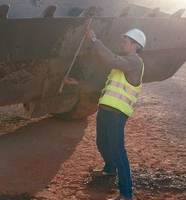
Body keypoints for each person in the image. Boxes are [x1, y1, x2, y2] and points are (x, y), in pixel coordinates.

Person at [63, 28, 146, 200]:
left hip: (117, 115)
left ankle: (126, 194)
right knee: (102, 143)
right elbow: (102, 85)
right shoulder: (121, 66)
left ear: (135, 46)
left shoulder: (134, 63)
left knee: (118, 152)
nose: (122, 43)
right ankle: (109, 169)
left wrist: (94, 40)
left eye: (125, 41)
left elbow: (110, 59)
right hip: (105, 111)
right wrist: (78, 82)